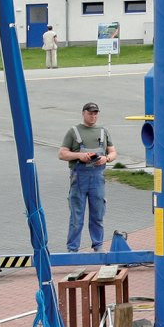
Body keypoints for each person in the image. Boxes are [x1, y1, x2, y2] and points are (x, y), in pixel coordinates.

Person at [58, 102, 115, 252]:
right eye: (90, 113)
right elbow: (62, 154)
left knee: (98, 214)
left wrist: (106, 159)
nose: (93, 116)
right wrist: (80, 156)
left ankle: (98, 247)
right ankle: (72, 249)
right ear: (83, 113)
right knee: (76, 217)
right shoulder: (73, 132)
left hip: (97, 178)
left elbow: (113, 152)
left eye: (95, 113)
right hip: (79, 178)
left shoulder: (103, 132)